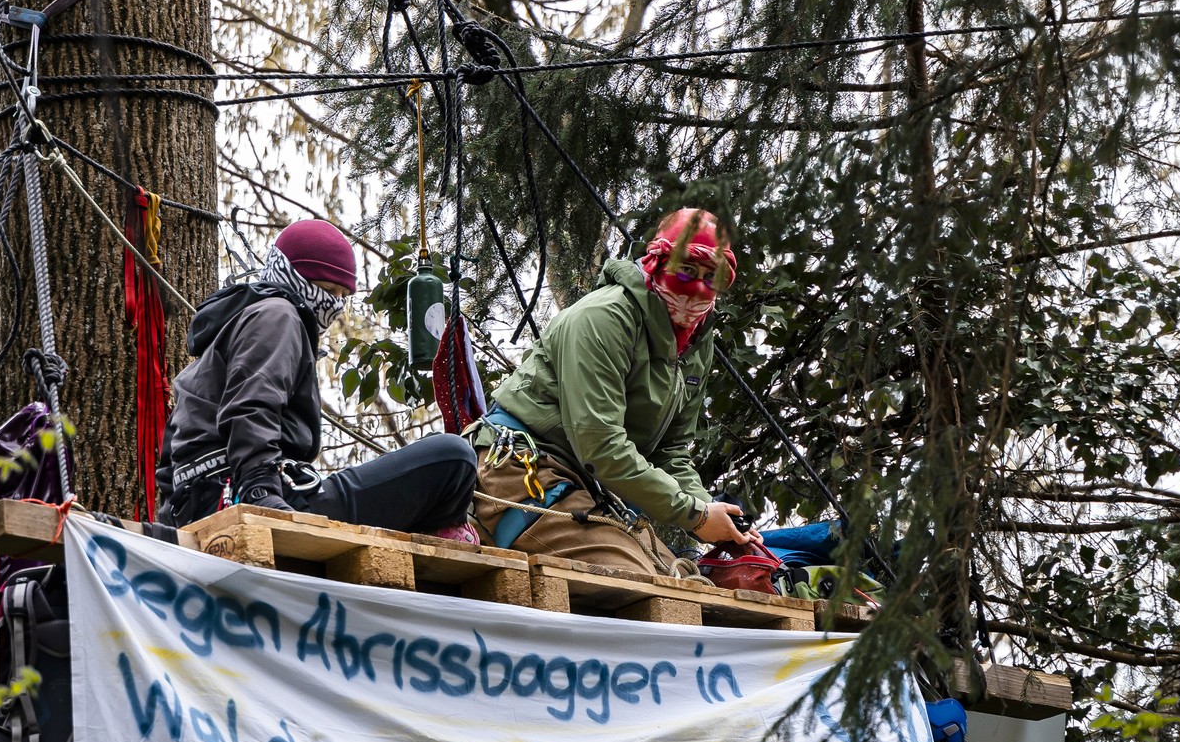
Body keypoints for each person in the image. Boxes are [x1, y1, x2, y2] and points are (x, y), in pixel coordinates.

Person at [467, 208, 762, 575]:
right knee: (639, 580)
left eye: (711, 276)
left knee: (689, 584)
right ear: (657, 264)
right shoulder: (603, 319)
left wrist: (716, 519)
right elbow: (601, 446)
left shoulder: (696, 343)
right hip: (524, 469)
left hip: (586, 488)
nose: (697, 287)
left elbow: (670, 451)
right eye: (686, 270)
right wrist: (696, 516)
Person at [157, 219, 478, 533]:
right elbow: (252, 405)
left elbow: (172, 452)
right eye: (326, 289)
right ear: (293, 277)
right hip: (245, 495)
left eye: (341, 295)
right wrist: (260, 492)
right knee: (454, 457)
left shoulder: (237, 330)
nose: (334, 304)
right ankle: (438, 529)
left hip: (204, 499)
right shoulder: (277, 315)